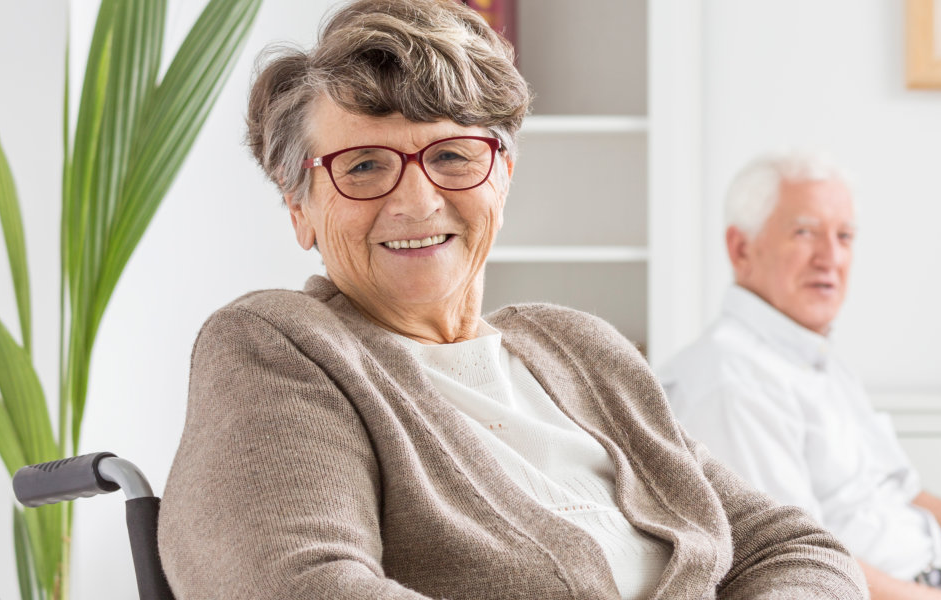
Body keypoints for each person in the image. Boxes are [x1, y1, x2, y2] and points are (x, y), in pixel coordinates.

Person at [157, 2, 865, 598]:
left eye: (453, 155)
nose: (417, 199)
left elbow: (796, 548)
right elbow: (304, 588)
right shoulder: (278, 348)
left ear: (503, 174)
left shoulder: (579, 349)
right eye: (365, 165)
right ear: (300, 209)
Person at [660, 151, 941, 600]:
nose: (831, 257)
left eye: (845, 236)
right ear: (741, 249)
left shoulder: (814, 357)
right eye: (805, 233)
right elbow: (796, 563)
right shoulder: (732, 380)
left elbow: (901, 496)